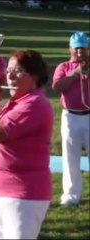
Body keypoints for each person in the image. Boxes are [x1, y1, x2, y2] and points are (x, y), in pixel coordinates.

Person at [0, 50, 53, 239]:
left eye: (18, 71)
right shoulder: (15, 103)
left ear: (34, 76)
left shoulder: (34, 104)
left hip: (23, 195)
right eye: (9, 70)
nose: (9, 76)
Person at [52, 31, 89, 206]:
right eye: (77, 49)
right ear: (70, 49)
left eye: (83, 48)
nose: (80, 52)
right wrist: (75, 74)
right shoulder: (64, 67)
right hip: (71, 116)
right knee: (70, 157)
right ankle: (71, 194)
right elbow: (57, 87)